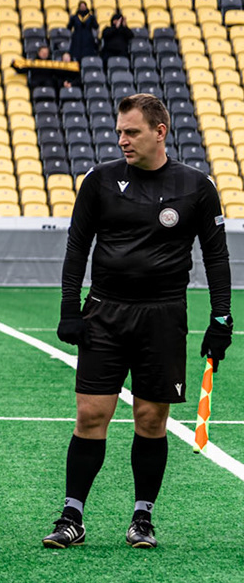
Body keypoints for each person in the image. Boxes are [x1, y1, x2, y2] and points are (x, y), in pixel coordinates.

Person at [47, 93, 231, 549]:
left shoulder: (196, 186)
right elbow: (76, 248)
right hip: (105, 311)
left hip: (164, 316)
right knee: (91, 414)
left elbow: (217, 256)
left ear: (160, 131)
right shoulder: (100, 181)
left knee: (151, 419)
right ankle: (73, 515)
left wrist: (221, 318)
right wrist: (71, 309)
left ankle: (142, 518)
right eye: (119, 132)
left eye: (131, 132)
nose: (122, 140)